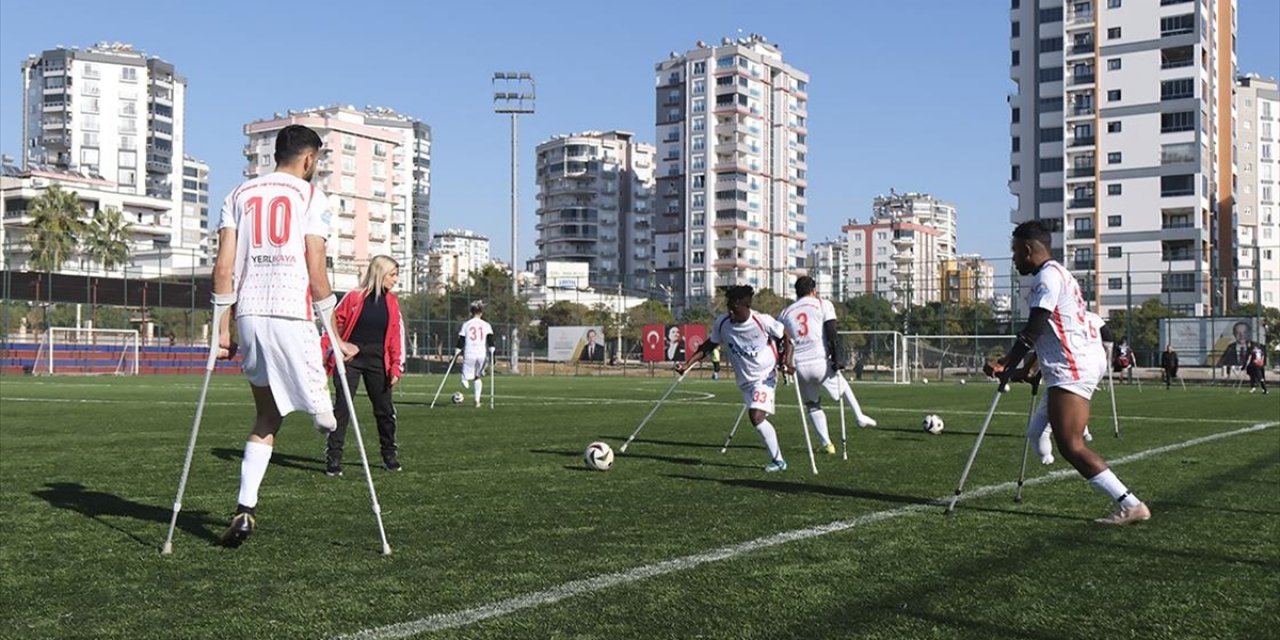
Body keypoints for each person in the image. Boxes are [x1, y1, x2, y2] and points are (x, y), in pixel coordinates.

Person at [211, 124, 350, 547]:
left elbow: (223, 269)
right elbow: (316, 266)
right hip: (291, 312)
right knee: (327, 418)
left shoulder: (236, 195)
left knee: (266, 416)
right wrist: (336, 335)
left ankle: (245, 509)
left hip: (250, 314)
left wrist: (221, 329)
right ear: (309, 159)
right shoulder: (312, 196)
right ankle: (317, 411)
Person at [985, 221, 1149, 525]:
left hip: (1073, 368)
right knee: (1048, 433)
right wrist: (1023, 370)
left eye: (1014, 252)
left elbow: (1033, 328)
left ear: (1027, 249)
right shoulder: (1060, 273)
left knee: (1071, 445)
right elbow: (1053, 331)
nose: (1013, 259)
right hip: (1074, 363)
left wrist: (1006, 362)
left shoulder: (1046, 278)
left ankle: (1131, 504)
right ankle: (1128, 502)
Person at [677, 285, 792, 472]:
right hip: (745, 380)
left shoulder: (762, 321)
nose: (730, 311)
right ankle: (777, 459)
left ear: (745, 306)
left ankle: (779, 461)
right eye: (728, 307)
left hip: (765, 375)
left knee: (756, 416)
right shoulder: (722, 323)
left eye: (734, 307)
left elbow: (785, 336)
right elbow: (708, 345)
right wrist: (687, 364)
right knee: (757, 417)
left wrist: (786, 360)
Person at [322, 255, 406, 476]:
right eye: (392, 275)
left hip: (379, 361)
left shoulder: (392, 302)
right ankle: (334, 457)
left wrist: (396, 366)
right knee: (342, 408)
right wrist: (330, 353)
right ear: (380, 274)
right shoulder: (353, 298)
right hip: (351, 360)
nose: (395, 279)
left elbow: (396, 337)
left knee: (385, 410)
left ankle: (389, 455)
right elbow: (333, 324)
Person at [779, 276, 877, 456]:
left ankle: (827, 444)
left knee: (813, 405)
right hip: (819, 361)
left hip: (799, 366)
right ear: (814, 290)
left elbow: (781, 341)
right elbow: (832, 332)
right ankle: (859, 416)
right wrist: (837, 357)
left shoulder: (785, 313)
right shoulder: (823, 304)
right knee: (843, 387)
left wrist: (783, 363)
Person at [456, 301, 495, 408]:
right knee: (477, 377)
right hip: (481, 354)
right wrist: (492, 351)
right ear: (481, 313)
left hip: (469, 352)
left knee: (466, 373)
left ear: (471, 312)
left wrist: (457, 351)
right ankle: (476, 401)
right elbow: (490, 339)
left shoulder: (467, 324)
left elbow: (461, 340)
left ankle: (464, 379)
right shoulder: (486, 325)